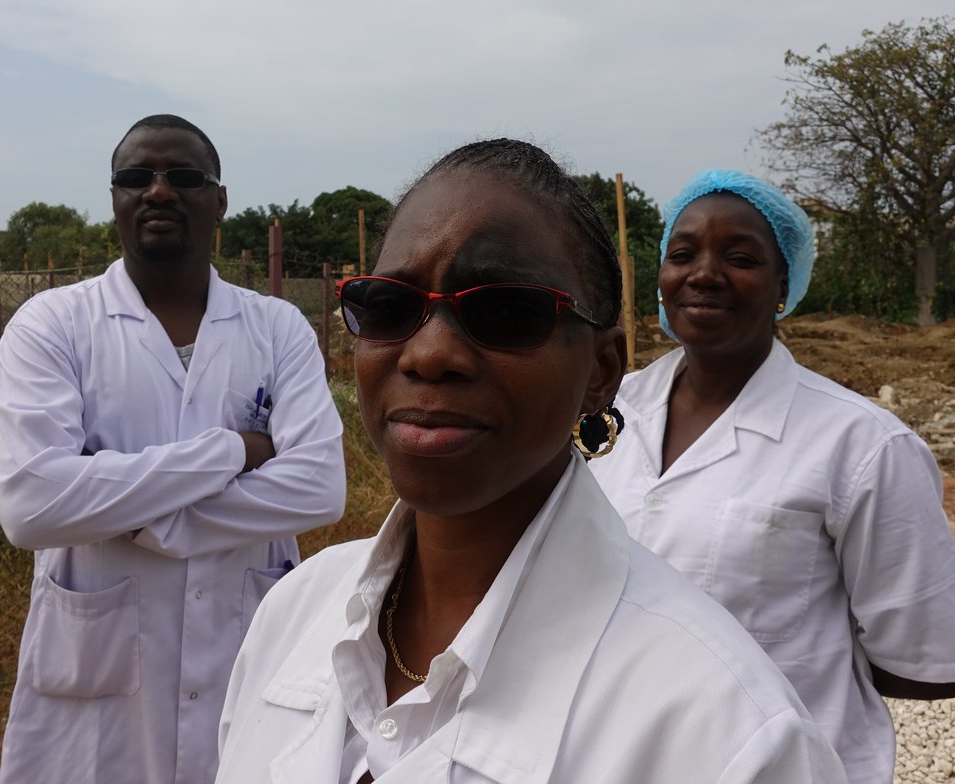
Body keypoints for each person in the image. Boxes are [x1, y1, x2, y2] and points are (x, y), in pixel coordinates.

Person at [214, 141, 847, 783]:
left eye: (505, 312)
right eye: (388, 306)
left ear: (601, 372)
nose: (429, 353)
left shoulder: (729, 736)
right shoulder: (295, 611)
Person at [588, 169, 955, 784]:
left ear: (784, 285)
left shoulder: (861, 446)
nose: (704, 273)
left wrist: (781, 670)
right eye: (682, 253)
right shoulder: (605, 411)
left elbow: (930, 666)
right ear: (661, 280)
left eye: (741, 257)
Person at [0, 114, 346, 784]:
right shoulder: (54, 325)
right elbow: (32, 504)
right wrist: (234, 451)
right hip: (94, 684)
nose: (157, 192)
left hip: (239, 654)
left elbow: (319, 487)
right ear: (116, 200)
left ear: (219, 201)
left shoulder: (278, 329)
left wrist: (128, 510)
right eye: (135, 178)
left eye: (183, 177)